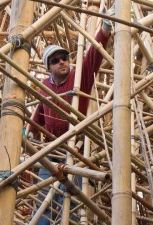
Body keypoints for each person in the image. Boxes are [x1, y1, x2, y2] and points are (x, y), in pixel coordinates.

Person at [30, 6, 115, 225]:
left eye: (65, 57)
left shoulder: (79, 79)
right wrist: (29, 133)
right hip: (51, 149)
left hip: (75, 146)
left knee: (73, 202)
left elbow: (93, 57)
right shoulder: (44, 87)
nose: (62, 62)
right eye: (56, 60)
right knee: (44, 203)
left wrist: (104, 29)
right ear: (49, 66)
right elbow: (40, 113)